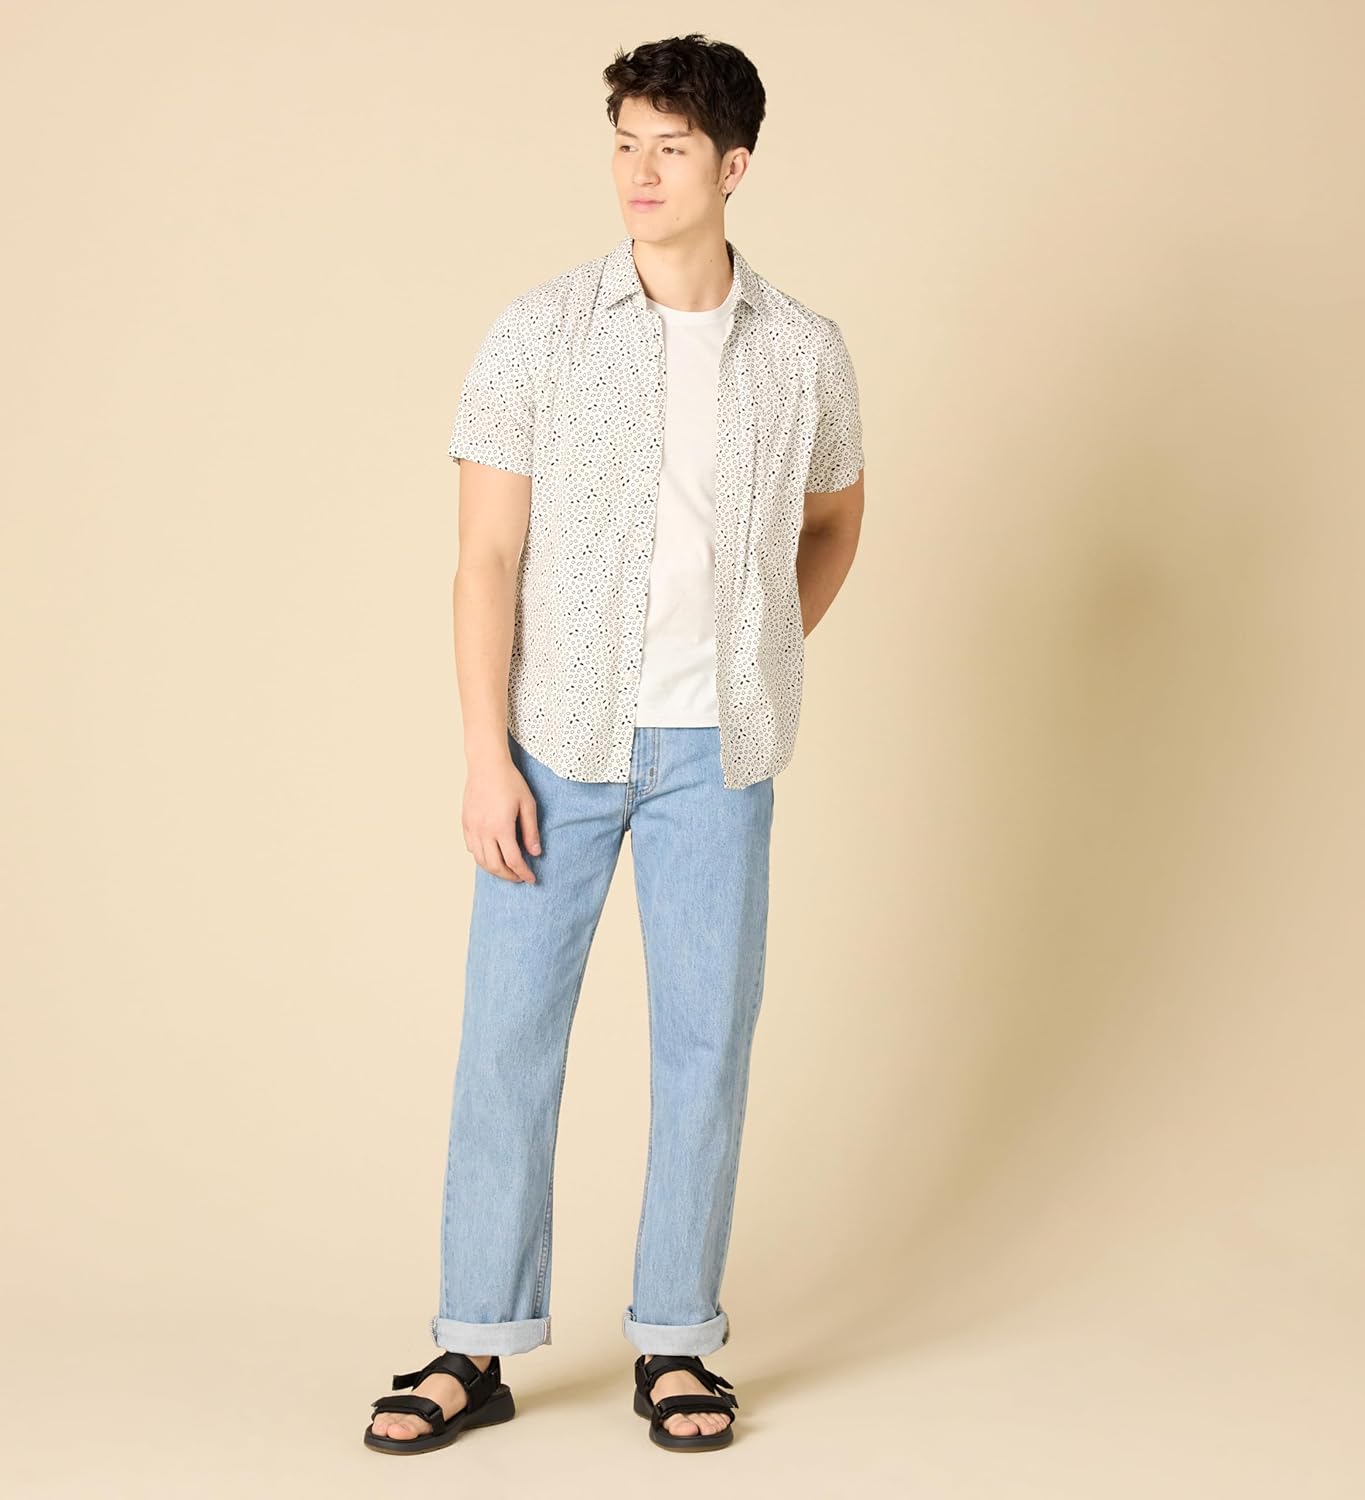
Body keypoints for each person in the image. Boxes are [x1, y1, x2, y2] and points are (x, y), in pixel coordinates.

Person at [364, 31, 865, 1457]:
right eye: (626, 144)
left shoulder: (804, 351)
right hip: (556, 747)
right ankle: (474, 1343)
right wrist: (486, 756)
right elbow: (483, 561)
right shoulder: (540, 332)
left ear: (734, 168)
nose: (640, 173)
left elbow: (836, 518)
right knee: (507, 1044)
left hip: (722, 755)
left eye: (672, 149)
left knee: (706, 1049)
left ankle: (676, 1342)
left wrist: (762, 651)